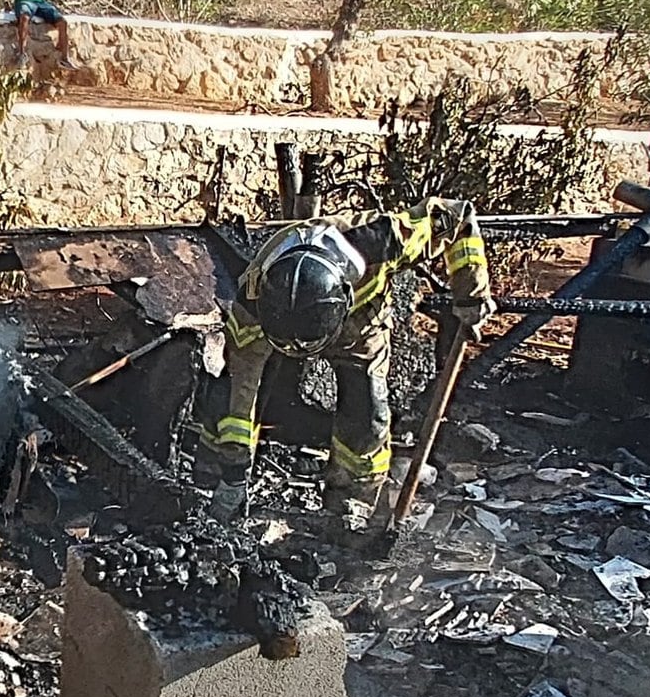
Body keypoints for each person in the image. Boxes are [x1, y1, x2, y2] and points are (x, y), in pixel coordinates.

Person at [208, 199, 497, 539]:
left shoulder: (385, 239)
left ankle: (352, 502)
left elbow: (457, 215)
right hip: (284, 324)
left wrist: (471, 296)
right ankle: (208, 479)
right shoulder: (254, 298)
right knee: (227, 404)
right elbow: (241, 393)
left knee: (367, 417)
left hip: (362, 327)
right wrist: (232, 474)